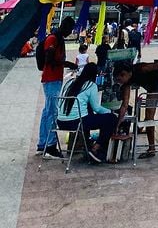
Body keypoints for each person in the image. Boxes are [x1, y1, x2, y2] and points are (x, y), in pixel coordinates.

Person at [57, 62, 118, 163]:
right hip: (77, 122)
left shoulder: (69, 82)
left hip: (61, 122)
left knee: (87, 112)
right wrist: (110, 112)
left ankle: (87, 144)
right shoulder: (90, 85)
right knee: (111, 119)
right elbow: (97, 108)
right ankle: (95, 148)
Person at [37, 16, 78, 158]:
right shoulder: (53, 39)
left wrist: (65, 64)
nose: (69, 32)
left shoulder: (59, 40)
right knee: (53, 112)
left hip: (55, 79)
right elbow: (49, 59)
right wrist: (65, 63)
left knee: (47, 112)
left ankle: (43, 143)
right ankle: (50, 145)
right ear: (65, 27)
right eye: (69, 29)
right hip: (51, 79)